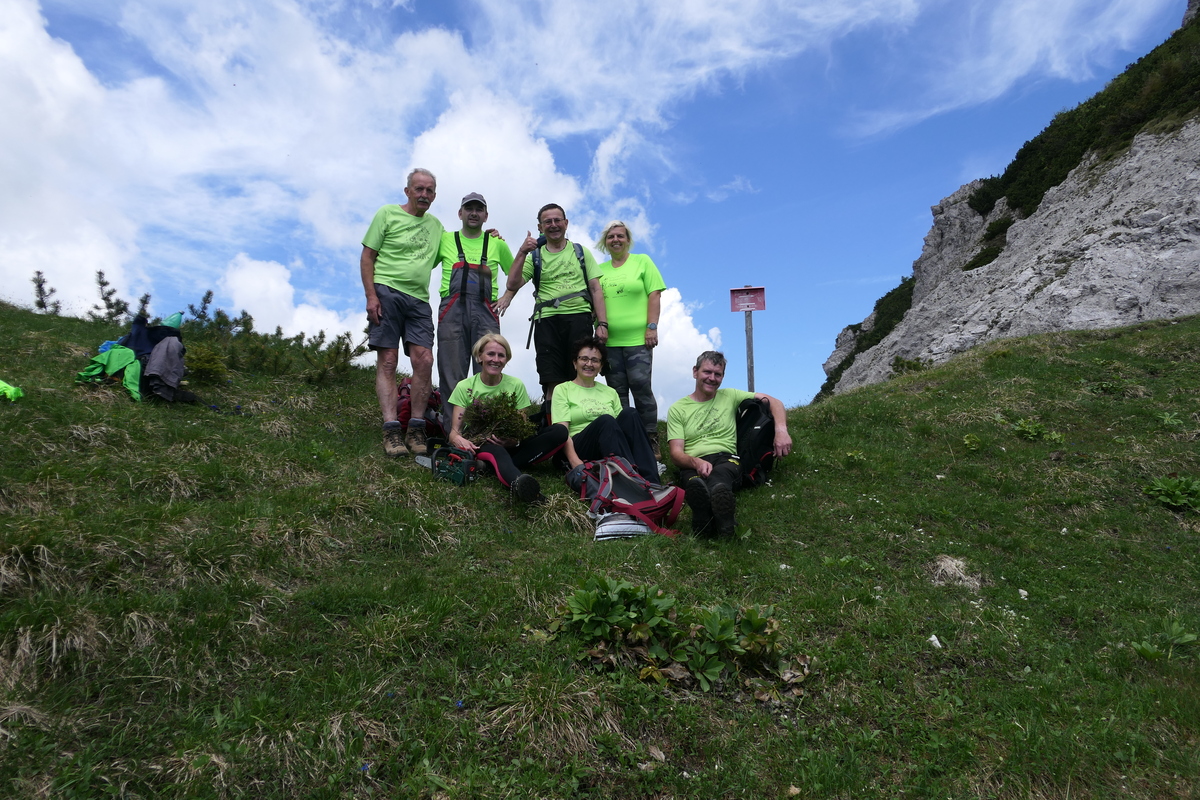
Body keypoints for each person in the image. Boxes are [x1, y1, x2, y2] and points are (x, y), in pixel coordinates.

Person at [361, 167, 444, 457]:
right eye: (419, 189)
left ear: (434, 196)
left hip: (419, 300)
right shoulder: (387, 214)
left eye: (429, 190)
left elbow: (463, 244)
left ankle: (416, 428)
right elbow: (367, 256)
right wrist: (371, 296)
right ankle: (391, 430)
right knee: (388, 360)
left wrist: (490, 235)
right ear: (407, 191)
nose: (424, 194)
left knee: (424, 359)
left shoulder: (437, 227)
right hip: (387, 291)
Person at [666, 351, 792, 536]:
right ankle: (719, 521)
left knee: (720, 479)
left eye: (717, 374)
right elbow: (676, 453)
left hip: (726, 458)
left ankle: (707, 520)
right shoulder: (678, 409)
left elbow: (774, 402)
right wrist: (695, 462)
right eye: (707, 372)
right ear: (695, 372)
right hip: (692, 462)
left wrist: (781, 430)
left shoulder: (730, 395)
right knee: (695, 483)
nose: (712, 378)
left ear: (723, 377)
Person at [497, 204, 608, 403]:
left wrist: (602, 324)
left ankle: (581, 418)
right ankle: (553, 420)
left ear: (566, 223)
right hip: (546, 320)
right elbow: (512, 284)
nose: (554, 225)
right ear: (540, 227)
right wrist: (522, 252)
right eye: (548, 222)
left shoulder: (581, 252)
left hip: (579, 317)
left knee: (581, 374)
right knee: (551, 378)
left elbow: (595, 289)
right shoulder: (534, 256)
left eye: (558, 220)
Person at [446, 334, 567, 502]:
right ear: (480, 357)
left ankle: (488, 468)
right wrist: (460, 440)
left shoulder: (516, 385)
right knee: (497, 451)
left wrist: (513, 441)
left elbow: (520, 427)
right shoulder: (465, 386)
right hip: (482, 444)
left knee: (559, 431)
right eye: (490, 354)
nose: (496, 360)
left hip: (511, 444)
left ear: (506, 359)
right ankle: (523, 487)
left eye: (501, 355)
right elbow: (454, 433)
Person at [434, 192, 515, 405]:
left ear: (486, 216)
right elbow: (423, 263)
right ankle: (453, 425)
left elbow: (518, 274)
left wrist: (508, 296)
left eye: (479, 209)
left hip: (486, 312)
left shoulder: (497, 243)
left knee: (489, 370)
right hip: (452, 312)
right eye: (469, 209)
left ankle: (486, 424)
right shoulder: (445, 239)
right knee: (451, 371)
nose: (473, 213)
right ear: (460, 213)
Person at [593, 220, 666, 444]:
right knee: (617, 392)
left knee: (640, 385)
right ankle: (626, 440)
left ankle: (650, 438)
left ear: (627, 240)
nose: (615, 240)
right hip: (610, 342)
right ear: (605, 242)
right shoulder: (599, 270)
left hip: (638, 339)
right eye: (611, 236)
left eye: (620, 236)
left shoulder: (642, 261)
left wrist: (651, 327)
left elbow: (655, 294)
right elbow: (595, 301)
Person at [553, 336, 659, 482]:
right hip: (580, 446)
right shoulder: (562, 389)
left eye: (595, 360)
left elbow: (621, 429)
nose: (589, 364)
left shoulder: (610, 392)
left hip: (608, 444)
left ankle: (652, 481)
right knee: (606, 421)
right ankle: (628, 480)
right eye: (584, 359)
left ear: (601, 366)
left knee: (630, 413)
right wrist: (575, 462)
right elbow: (562, 432)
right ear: (575, 363)